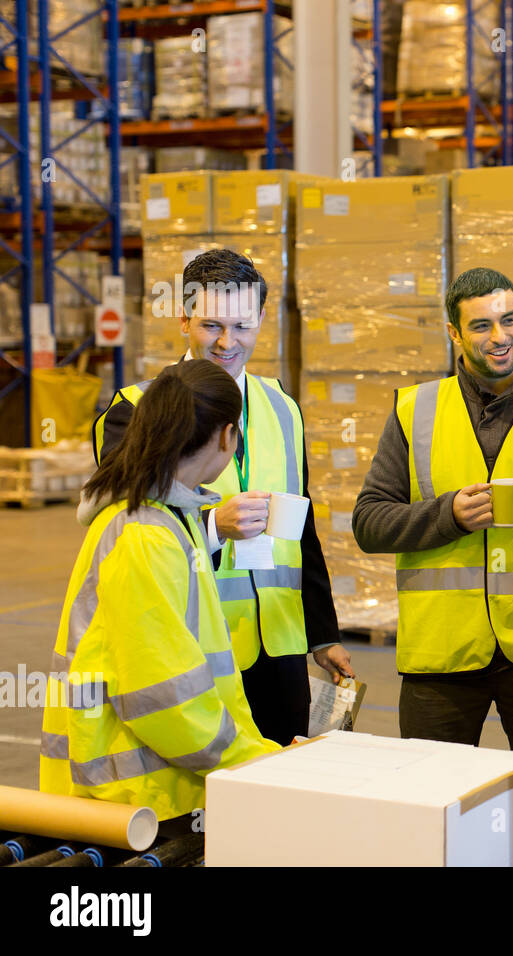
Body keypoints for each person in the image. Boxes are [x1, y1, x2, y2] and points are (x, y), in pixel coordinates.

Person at [92, 248, 352, 746]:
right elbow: (120, 532)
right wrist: (214, 527)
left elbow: (303, 526)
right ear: (184, 319)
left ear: (260, 319)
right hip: (191, 645)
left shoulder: (283, 407)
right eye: (211, 325)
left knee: (280, 791)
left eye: (241, 326)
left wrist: (323, 633)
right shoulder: (136, 409)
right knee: (205, 804)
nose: (227, 342)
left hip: (279, 647)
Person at [353, 267, 513, 752]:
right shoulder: (415, 411)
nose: (500, 337)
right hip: (441, 655)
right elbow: (369, 523)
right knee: (435, 807)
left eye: (509, 320)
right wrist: (446, 516)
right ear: (454, 332)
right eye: (481, 326)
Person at [41, 360, 280, 820]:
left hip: (157, 786)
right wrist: (251, 761)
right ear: (228, 436)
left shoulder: (171, 516)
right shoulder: (145, 534)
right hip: (137, 797)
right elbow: (162, 694)